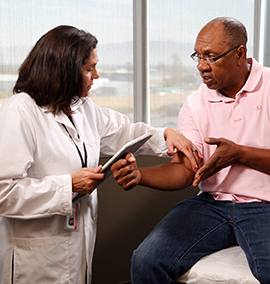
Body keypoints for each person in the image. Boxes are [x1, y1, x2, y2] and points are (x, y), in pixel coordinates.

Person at [0, 25, 201, 284]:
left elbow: (126, 132)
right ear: (64, 69)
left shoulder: (81, 107)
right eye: (88, 68)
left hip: (77, 245)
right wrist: (68, 185)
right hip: (35, 257)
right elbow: (3, 193)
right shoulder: (19, 112)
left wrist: (166, 135)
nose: (96, 74)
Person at [112, 17, 270, 283]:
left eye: (211, 57)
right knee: (145, 261)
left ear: (240, 54)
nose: (201, 66)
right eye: (198, 56)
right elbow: (185, 170)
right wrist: (141, 176)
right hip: (212, 204)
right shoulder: (195, 103)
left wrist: (240, 154)